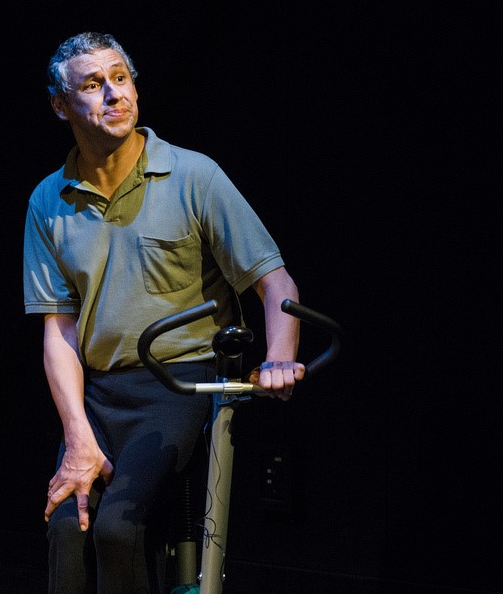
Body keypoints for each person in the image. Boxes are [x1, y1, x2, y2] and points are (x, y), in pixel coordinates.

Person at [22, 31, 305, 594]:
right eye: (94, 85)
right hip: (99, 392)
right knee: (65, 527)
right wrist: (77, 434)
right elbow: (59, 330)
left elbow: (275, 284)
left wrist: (278, 358)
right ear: (61, 106)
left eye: (121, 79)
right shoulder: (49, 200)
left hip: (180, 381)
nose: (114, 95)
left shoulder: (194, 175)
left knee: (118, 530)